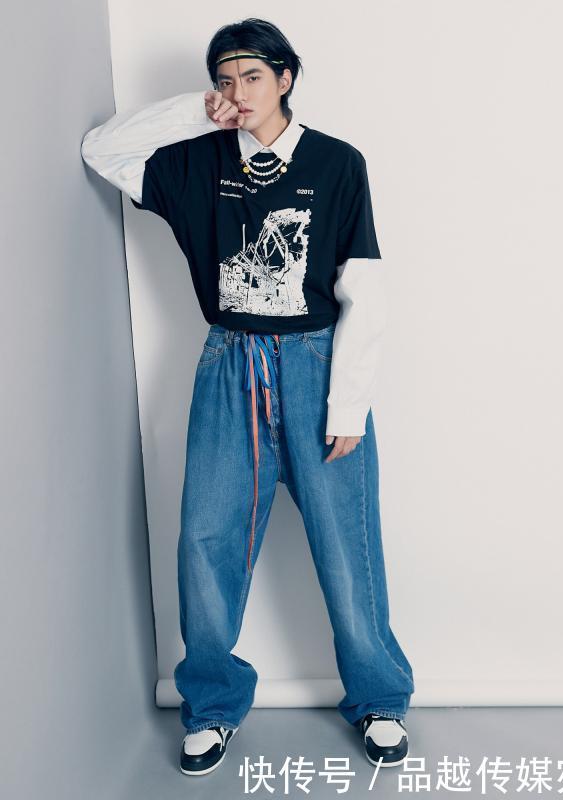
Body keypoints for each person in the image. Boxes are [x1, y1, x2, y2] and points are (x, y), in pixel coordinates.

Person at [81, 16, 414, 778]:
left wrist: (347, 405)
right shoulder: (197, 163)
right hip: (229, 367)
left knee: (347, 544)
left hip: (315, 365)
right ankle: (211, 706)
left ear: (285, 78)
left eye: (253, 76)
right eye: (226, 79)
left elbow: (364, 289)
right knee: (206, 539)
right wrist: (194, 112)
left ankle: (379, 698)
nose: (239, 91)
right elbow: (102, 151)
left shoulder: (336, 163)